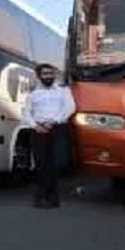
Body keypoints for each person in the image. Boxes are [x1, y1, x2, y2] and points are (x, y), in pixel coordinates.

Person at [21, 63, 76, 209]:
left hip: (58, 129)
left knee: (58, 163)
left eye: (51, 73)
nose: (49, 76)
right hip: (38, 130)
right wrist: (35, 126)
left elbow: (70, 108)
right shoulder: (33, 94)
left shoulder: (63, 91)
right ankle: (44, 198)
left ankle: (50, 196)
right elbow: (26, 112)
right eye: (45, 74)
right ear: (39, 76)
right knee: (41, 164)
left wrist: (53, 121)